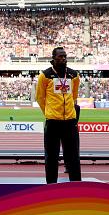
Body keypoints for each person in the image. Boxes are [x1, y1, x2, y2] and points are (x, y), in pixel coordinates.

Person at [36, 47, 82, 184]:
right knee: (51, 157)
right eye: (60, 57)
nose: (63, 59)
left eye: (65, 56)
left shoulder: (74, 75)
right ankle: (51, 186)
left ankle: (76, 186)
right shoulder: (45, 76)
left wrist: (70, 112)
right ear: (53, 59)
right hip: (53, 123)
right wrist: (49, 113)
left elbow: (74, 96)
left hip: (70, 122)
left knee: (73, 157)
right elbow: (40, 98)